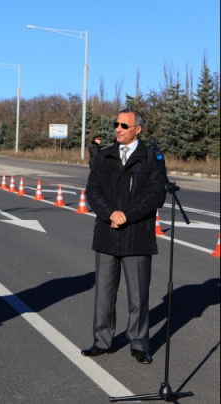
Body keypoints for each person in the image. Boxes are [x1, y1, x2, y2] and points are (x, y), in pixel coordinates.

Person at [82, 109, 166, 364]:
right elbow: (92, 191)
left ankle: (139, 343)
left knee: (138, 296)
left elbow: (156, 194)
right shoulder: (104, 156)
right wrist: (111, 214)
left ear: (137, 129)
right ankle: (102, 341)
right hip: (107, 232)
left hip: (137, 234)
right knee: (104, 293)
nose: (117, 128)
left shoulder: (150, 158)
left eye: (123, 125)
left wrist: (126, 215)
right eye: (116, 124)